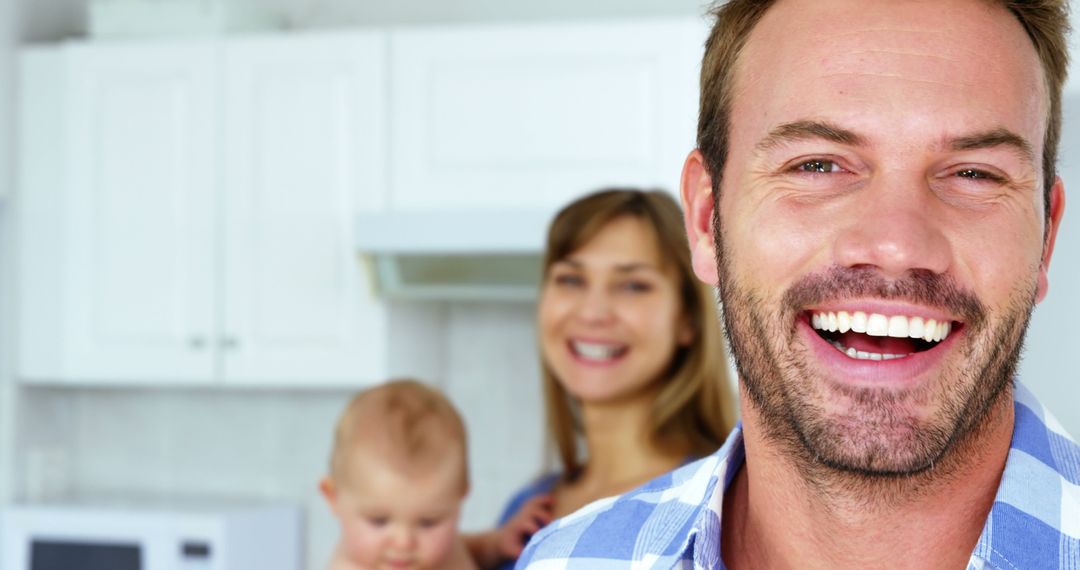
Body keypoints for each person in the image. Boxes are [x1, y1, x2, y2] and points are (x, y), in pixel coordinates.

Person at [518, 0, 1079, 568]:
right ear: (707, 219)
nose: (896, 246)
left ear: (1045, 239)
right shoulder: (568, 559)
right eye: (818, 165)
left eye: (974, 174)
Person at [465, 189, 739, 569]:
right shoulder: (526, 515)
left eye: (632, 285)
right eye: (571, 279)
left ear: (687, 320)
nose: (593, 312)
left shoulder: (723, 501)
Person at [318, 379, 478, 570]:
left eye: (428, 523)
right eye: (379, 521)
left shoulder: (442, 549)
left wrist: (494, 544)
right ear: (333, 497)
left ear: (460, 496)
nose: (403, 542)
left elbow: (458, 547)